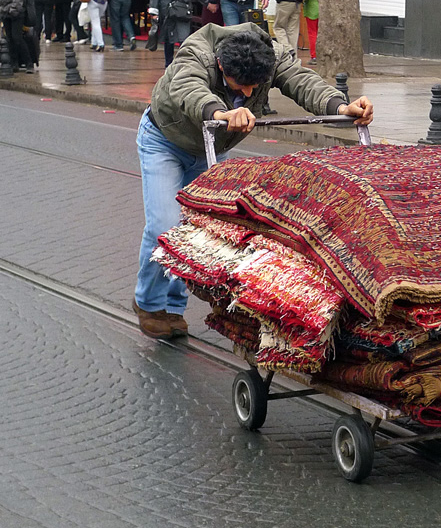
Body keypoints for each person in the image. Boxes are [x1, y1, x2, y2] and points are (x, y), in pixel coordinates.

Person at [132, 23, 375, 340]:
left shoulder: (271, 55)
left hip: (209, 147)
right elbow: (187, 88)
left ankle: (174, 308)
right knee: (165, 226)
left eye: (254, 87)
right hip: (164, 140)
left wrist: (342, 107)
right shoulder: (198, 52)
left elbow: (302, 83)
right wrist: (221, 112)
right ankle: (149, 304)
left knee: (194, 230)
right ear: (221, 65)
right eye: (240, 86)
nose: (247, 94)